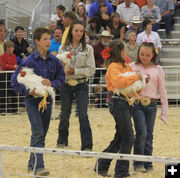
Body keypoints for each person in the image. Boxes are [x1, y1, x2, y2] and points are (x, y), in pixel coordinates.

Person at [11, 27, 65, 176]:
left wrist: (52, 83)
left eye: (49, 39)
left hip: (47, 101)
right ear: (37, 41)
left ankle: (31, 163)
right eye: (45, 39)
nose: (49, 42)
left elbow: (62, 78)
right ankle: (38, 167)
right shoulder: (28, 61)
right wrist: (28, 91)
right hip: (32, 101)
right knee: (38, 131)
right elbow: (15, 82)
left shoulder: (55, 61)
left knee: (42, 133)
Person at [94, 40, 142, 177]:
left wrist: (141, 79)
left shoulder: (125, 66)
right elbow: (119, 82)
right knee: (129, 136)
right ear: (121, 52)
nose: (126, 52)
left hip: (125, 102)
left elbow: (132, 80)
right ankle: (121, 172)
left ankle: (102, 164)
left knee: (121, 137)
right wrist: (135, 77)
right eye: (125, 49)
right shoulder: (114, 66)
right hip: (117, 102)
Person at [57, 20, 96, 151]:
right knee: (65, 113)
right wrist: (62, 69)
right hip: (66, 83)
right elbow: (58, 66)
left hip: (81, 84)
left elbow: (91, 69)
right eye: (76, 30)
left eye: (81, 31)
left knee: (83, 115)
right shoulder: (62, 48)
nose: (79, 33)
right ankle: (62, 140)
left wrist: (76, 71)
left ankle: (87, 145)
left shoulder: (88, 49)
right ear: (71, 32)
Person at [131, 42, 168, 172]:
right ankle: (138, 162)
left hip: (152, 104)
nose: (144, 57)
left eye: (147, 55)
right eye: (141, 54)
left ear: (153, 55)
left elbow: (162, 91)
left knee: (149, 135)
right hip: (137, 104)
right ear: (138, 53)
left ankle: (148, 162)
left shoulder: (158, 69)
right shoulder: (132, 66)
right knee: (142, 132)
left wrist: (164, 112)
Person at [0, 40, 18, 114]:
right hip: (4, 75)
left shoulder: (14, 56)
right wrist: (12, 66)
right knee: (4, 92)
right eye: (12, 47)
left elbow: (14, 65)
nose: (13, 49)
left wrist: (10, 66)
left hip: (12, 75)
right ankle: (3, 109)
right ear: (8, 48)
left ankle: (14, 109)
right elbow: (4, 66)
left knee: (13, 91)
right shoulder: (2, 56)